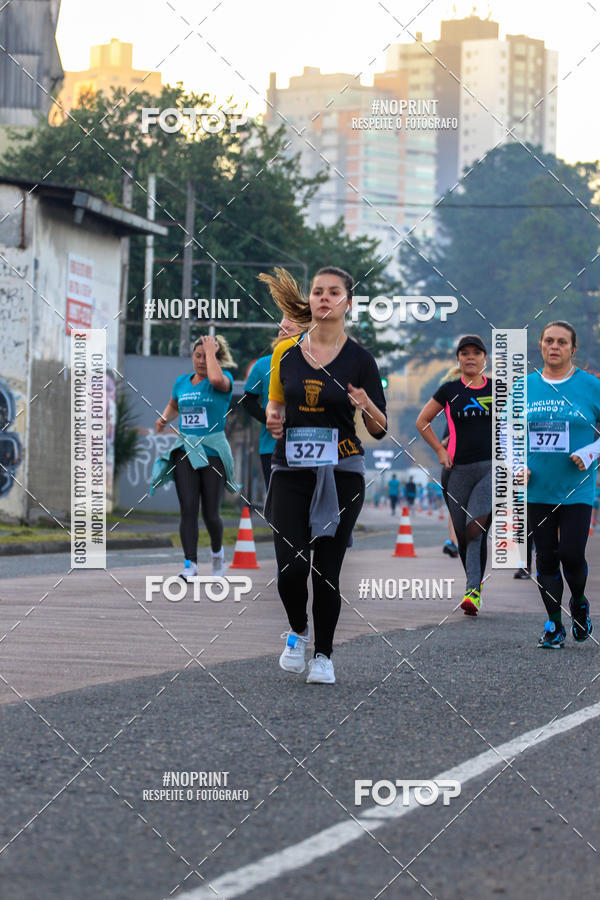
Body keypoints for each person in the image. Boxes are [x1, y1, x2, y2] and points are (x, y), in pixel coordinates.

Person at [260, 266, 387, 684]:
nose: (324, 298)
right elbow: (275, 407)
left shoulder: (361, 360)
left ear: (348, 302)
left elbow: (379, 429)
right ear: (310, 300)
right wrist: (274, 419)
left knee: (325, 571)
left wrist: (366, 403)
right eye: (317, 292)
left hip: (343, 473)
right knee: (291, 569)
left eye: (334, 292)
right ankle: (297, 631)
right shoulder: (286, 353)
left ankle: (324, 657)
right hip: (290, 470)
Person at [524, 321, 600, 648]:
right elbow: (505, 435)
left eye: (562, 342)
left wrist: (591, 451)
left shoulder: (591, 386)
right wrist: (516, 465)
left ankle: (579, 602)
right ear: (540, 345)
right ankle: (554, 625)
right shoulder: (522, 386)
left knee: (570, 553)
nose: (555, 347)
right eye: (549, 341)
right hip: (537, 488)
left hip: (577, 489)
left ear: (573, 349)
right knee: (545, 559)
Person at [150, 335, 239, 580]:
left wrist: (212, 351)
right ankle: (190, 564)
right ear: (192, 356)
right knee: (188, 509)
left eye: (206, 356)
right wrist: (164, 419)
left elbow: (214, 377)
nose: (201, 361)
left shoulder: (223, 381)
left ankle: (218, 554)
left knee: (211, 513)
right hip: (186, 451)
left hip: (213, 453)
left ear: (216, 358)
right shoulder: (181, 382)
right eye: (197, 356)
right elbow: (174, 404)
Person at [416, 335, 492, 616]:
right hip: (456, 471)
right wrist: (439, 449)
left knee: (476, 528)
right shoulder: (449, 390)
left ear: (485, 358)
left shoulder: (499, 389)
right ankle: (475, 586)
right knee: (463, 535)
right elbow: (422, 421)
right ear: (458, 359)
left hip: (490, 470)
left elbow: (515, 425)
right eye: (465, 353)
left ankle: (472, 591)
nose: (470, 357)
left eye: (476, 353)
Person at [241, 318, 303, 489]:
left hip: (307, 446)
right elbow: (247, 401)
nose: (282, 332)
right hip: (272, 447)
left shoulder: (314, 363)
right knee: (278, 503)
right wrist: (270, 420)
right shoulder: (263, 364)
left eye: (288, 330)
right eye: (280, 329)